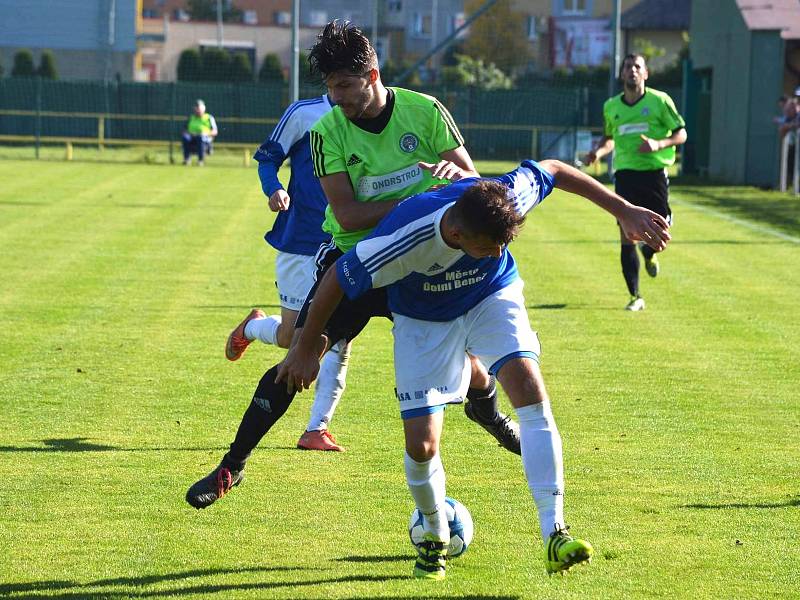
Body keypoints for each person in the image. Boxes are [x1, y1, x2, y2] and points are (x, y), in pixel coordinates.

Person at [276, 158, 671, 578]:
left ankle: (554, 531)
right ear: (458, 233)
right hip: (422, 319)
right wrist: (302, 347)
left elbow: (554, 169)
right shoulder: (407, 236)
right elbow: (338, 276)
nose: (498, 251)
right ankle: (433, 534)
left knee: (529, 390)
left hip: (490, 298)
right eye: (489, 245)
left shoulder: (499, 199)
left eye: (505, 243)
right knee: (421, 446)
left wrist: (622, 209)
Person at [185, 20, 519, 510]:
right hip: (358, 260)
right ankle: (232, 466)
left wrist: (458, 177)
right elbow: (348, 215)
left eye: (344, 85)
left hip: (427, 260)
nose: (336, 96)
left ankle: (487, 412)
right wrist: (421, 202)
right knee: (299, 357)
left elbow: (474, 184)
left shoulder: (424, 112)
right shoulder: (327, 133)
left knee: (466, 364)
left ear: (372, 74)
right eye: (330, 87)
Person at [227, 93, 352, 452]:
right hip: (301, 240)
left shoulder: (369, 115)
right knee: (292, 339)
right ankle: (253, 327)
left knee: (338, 339)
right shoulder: (304, 113)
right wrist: (275, 188)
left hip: (345, 240)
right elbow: (268, 158)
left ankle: (316, 428)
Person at [584, 54, 686, 311]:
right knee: (626, 234)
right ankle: (635, 296)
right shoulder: (611, 106)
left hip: (654, 173)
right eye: (627, 67)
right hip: (625, 175)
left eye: (637, 67)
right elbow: (610, 138)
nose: (632, 71)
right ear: (621, 74)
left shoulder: (659, 101)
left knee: (660, 231)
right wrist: (598, 152)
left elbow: (681, 133)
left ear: (646, 73)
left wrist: (658, 144)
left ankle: (649, 253)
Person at [181, 99, 217, 166]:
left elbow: (215, 131)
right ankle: (187, 159)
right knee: (185, 138)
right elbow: (184, 130)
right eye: (196, 108)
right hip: (192, 136)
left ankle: (200, 160)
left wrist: (205, 133)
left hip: (204, 137)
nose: (198, 110)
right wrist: (189, 133)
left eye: (199, 108)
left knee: (200, 137)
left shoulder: (208, 117)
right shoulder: (191, 117)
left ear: (204, 109)